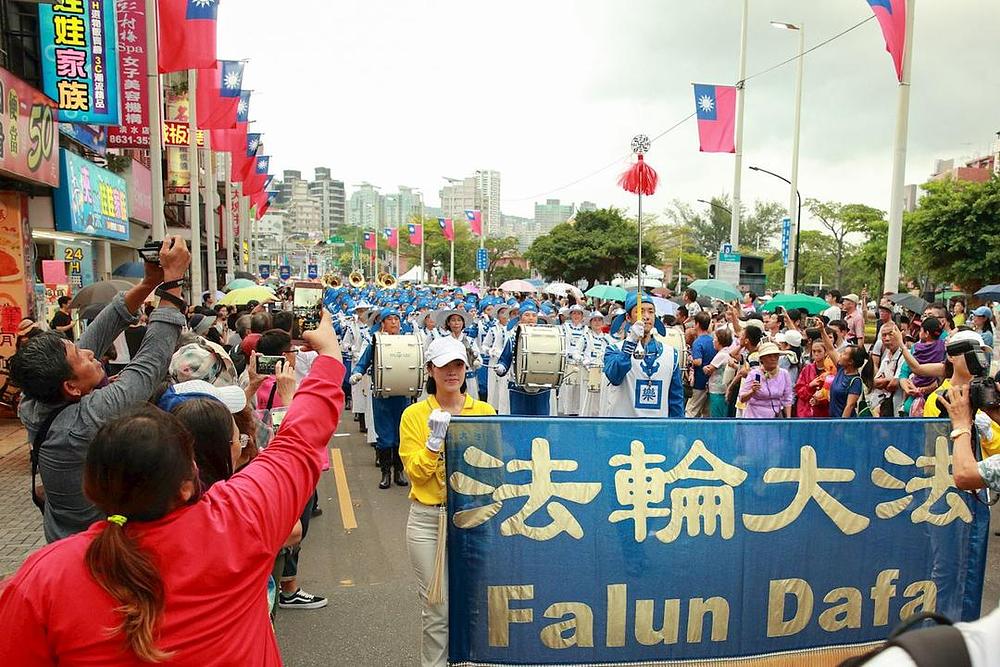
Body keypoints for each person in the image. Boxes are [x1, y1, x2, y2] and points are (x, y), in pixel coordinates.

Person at [0, 310, 344, 664]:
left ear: (92, 489)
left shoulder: (42, 579)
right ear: (187, 483)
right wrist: (330, 356)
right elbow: (299, 441)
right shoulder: (237, 522)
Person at [9, 237, 191, 543]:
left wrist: (149, 283)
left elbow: (100, 330)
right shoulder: (81, 423)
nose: (89, 352)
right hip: (94, 548)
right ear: (71, 387)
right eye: (79, 355)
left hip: (59, 537)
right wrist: (173, 283)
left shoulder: (35, 398)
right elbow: (149, 365)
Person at [399, 336, 496, 667]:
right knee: (437, 609)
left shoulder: (483, 411)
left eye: (458, 365)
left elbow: (494, 466)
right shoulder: (414, 415)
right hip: (430, 520)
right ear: (430, 370)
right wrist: (434, 442)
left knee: (475, 603)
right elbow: (416, 474)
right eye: (444, 366)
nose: (452, 372)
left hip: (473, 518)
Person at [352, 308, 410, 489]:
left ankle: (399, 472)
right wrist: (357, 373)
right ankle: (385, 473)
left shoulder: (407, 342)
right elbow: (363, 362)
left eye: (396, 319)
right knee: (384, 435)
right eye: (390, 319)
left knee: (401, 434)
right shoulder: (376, 342)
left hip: (402, 394)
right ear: (382, 323)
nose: (394, 322)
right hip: (382, 395)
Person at [603, 294, 684, 418]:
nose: (646, 316)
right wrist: (631, 342)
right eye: (640, 312)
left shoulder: (671, 354)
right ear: (628, 317)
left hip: (657, 427)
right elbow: (614, 376)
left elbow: (676, 401)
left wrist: (677, 427)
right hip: (624, 426)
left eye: (651, 312)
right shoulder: (614, 350)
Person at [494, 302, 554, 416]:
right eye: (527, 315)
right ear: (520, 318)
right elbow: (505, 359)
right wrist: (501, 367)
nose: (531, 318)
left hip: (541, 386)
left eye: (534, 315)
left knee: (541, 420)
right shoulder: (513, 338)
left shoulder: (546, 338)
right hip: (518, 387)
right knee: (519, 420)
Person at [820, 324, 874, 418]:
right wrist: (822, 330)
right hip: (833, 419)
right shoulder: (841, 368)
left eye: (844, 353)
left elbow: (850, 406)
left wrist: (842, 424)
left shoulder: (855, 381)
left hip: (844, 423)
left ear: (850, 362)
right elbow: (830, 349)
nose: (840, 355)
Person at [738, 342, 794, 418]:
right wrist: (752, 391)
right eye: (769, 356)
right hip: (754, 416)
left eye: (775, 356)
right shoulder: (754, 374)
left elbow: (787, 399)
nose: (773, 359)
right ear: (762, 359)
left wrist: (788, 419)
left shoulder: (784, 374)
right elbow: (742, 398)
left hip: (775, 417)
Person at [577, 311, 615, 417]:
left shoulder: (608, 339)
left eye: (599, 320)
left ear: (603, 322)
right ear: (590, 323)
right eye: (594, 320)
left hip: (603, 373)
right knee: (586, 399)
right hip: (588, 373)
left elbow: (613, 354)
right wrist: (584, 361)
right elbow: (576, 353)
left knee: (602, 399)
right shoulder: (584, 337)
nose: (597, 322)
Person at [794, 341, 835, 418]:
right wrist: (810, 385)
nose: (816, 354)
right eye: (814, 351)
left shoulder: (831, 370)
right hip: (805, 412)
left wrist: (820, 400)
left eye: (819, 351)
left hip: (824, 413)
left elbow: (833, 394)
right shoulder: (806, 369)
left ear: (826, 353)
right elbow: (799, 391)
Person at [686, 312, 714, 417]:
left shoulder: (698, 342)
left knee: (691, 411)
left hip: (699, 383)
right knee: (706, 414)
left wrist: (689, 360)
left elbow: (698, 361)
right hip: (711, 383)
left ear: (697, 324)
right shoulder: (713, 340)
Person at [704, 327, 734, 418]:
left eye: (715, 339)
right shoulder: (729, 351)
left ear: (720, 341)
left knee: (717, 416)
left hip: (717, 390)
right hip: (723, 389)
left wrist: (704, 368)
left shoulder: (721, 355)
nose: (713, 341)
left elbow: (709, 370)